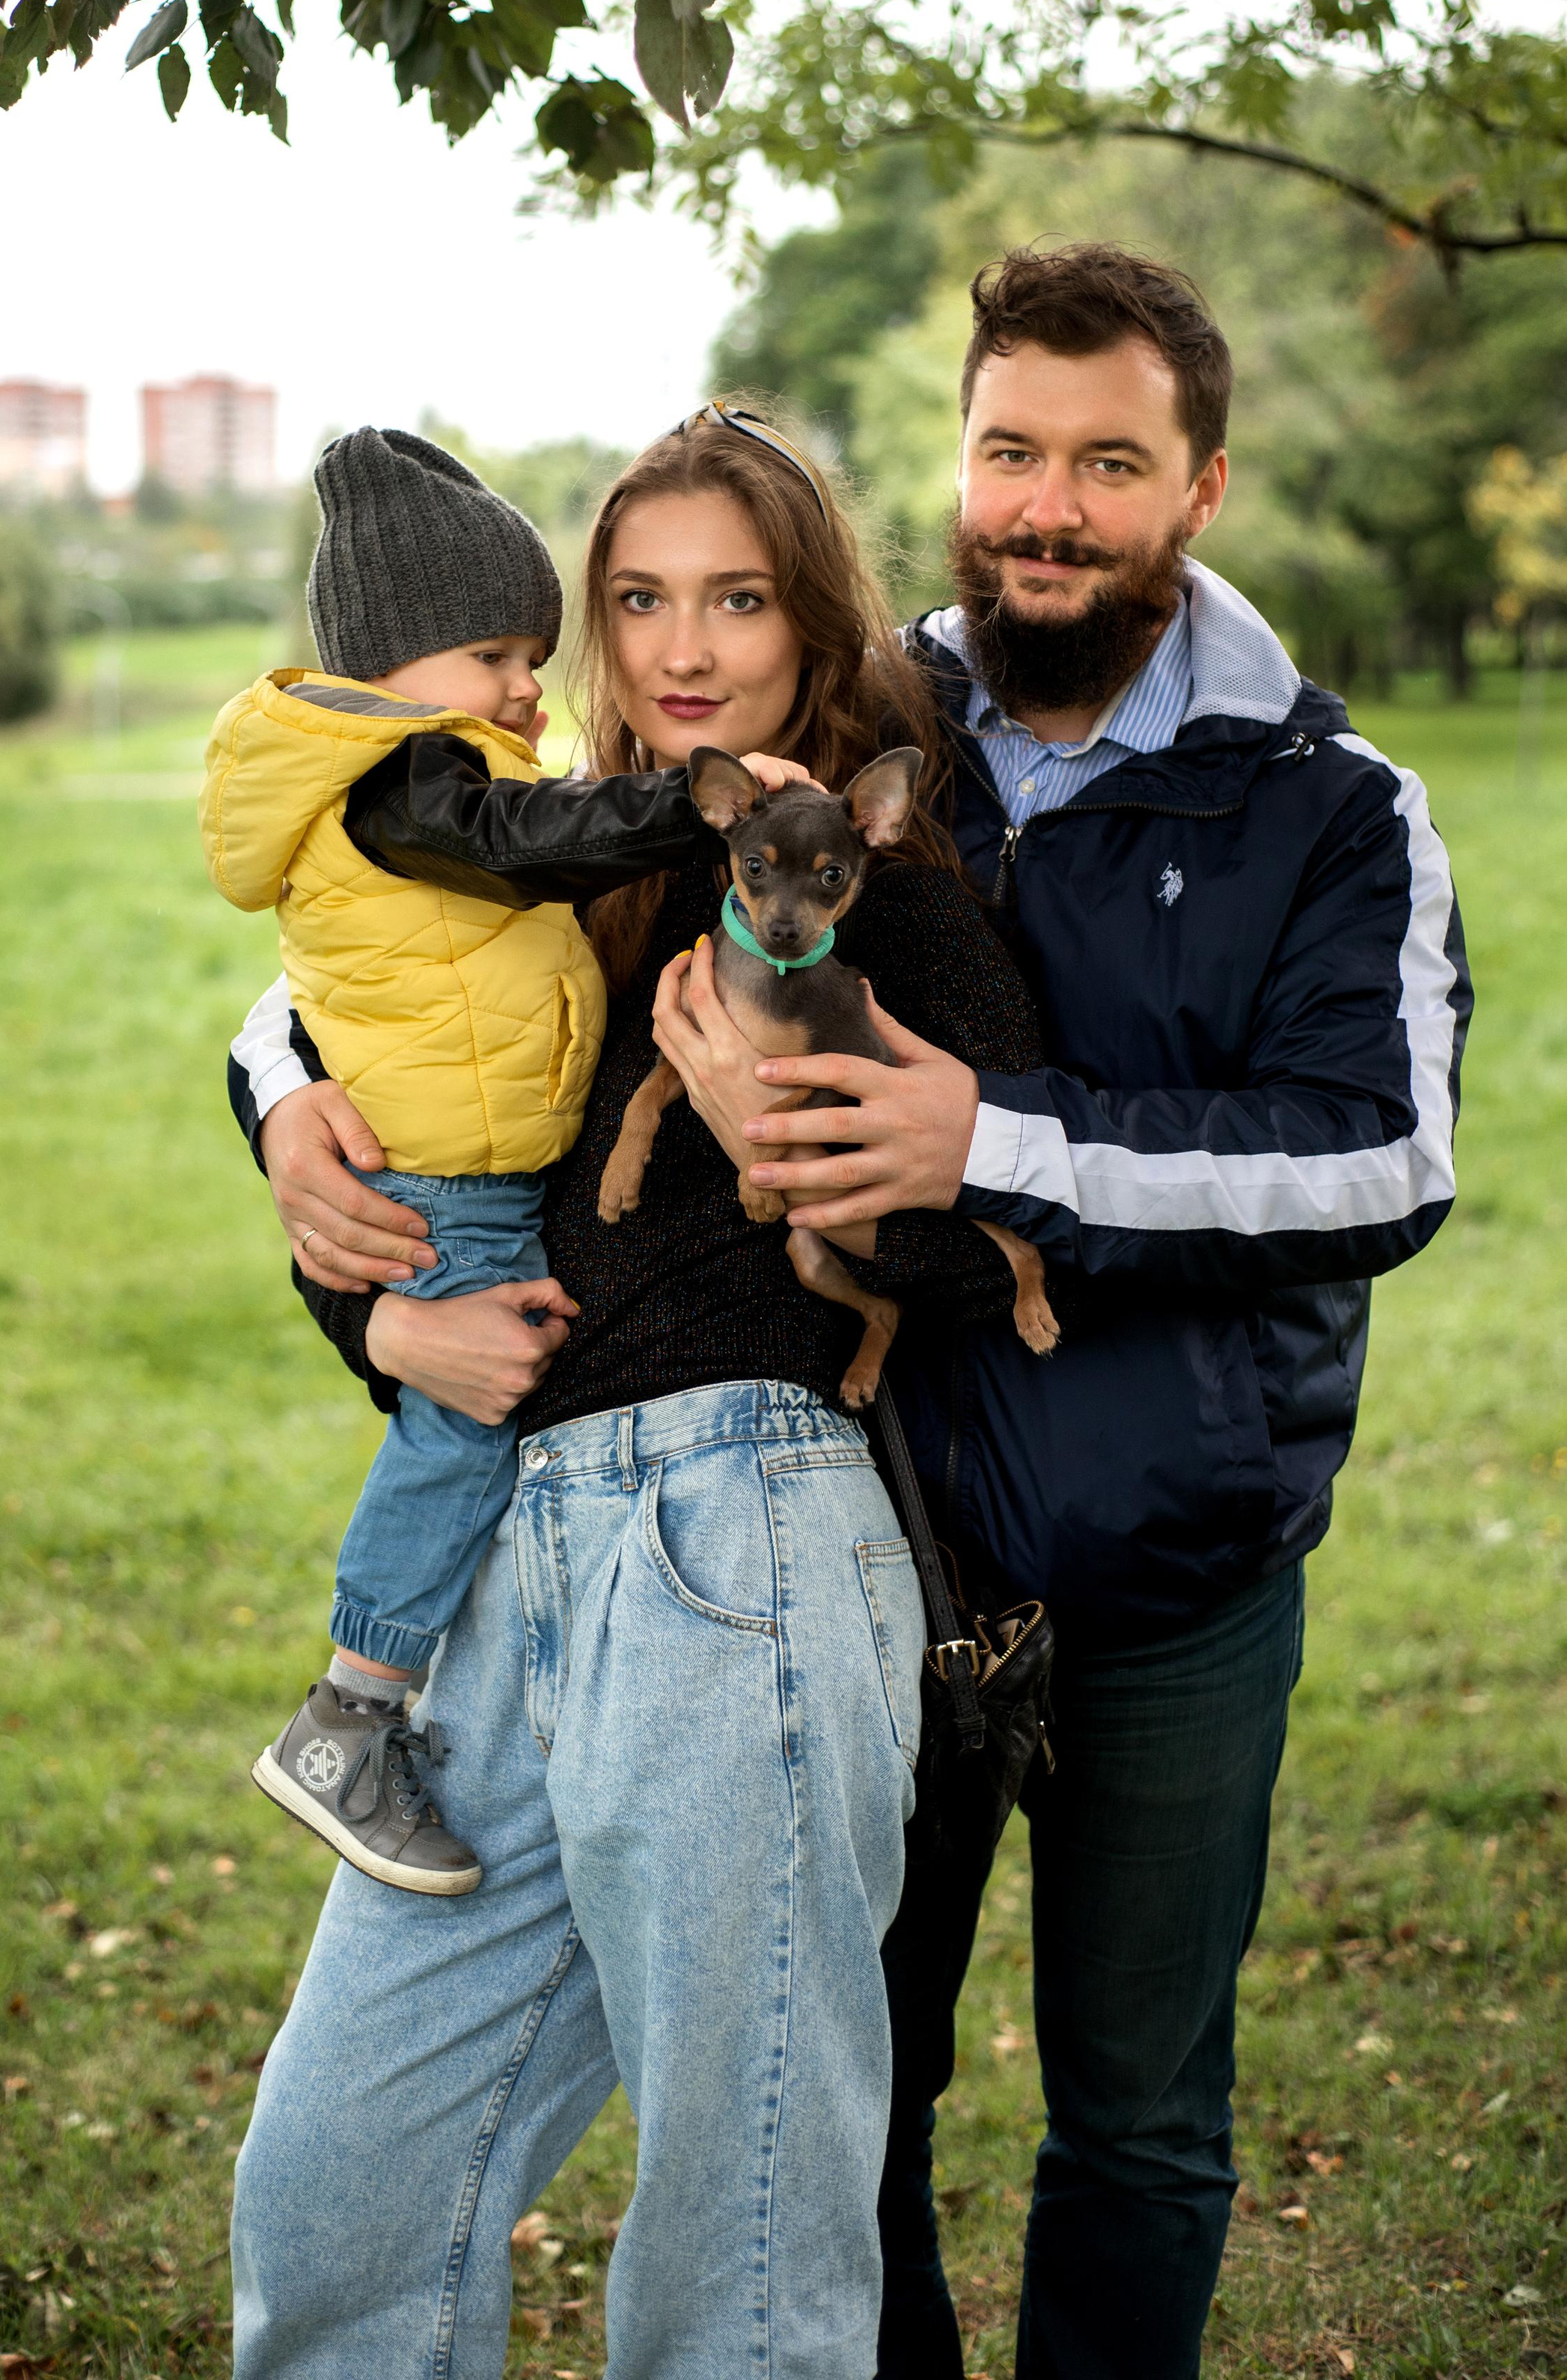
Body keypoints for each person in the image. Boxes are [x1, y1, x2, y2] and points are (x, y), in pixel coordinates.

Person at [642, 247, 1471, 2380]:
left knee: (1140, 2127)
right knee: (855, 2109)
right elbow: (523, 850)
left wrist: (993, 1147)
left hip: (1180, 1571)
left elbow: (1380, 1161)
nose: (1048, 504)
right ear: (963, 459)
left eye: (1111, 462)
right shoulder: (858, 728)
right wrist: (280, 1079)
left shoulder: (1334, 804)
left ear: (1199, 489)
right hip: (870, 1548)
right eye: (1011, 449)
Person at [224, 406, 1046, 2378]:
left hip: (739, 1545)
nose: (682, 644)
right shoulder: (556, 856)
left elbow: (1007, 1226)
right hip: (511, 1567)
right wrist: (339, 1246)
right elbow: (410, 1124)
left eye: (736, 598)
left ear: (808, 619)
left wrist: (806, 1141)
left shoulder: (869, 860)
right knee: (337, 2185)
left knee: (738, 2255)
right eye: (637, 597)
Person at [201, 422, 804, 1896]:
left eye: (538, 651)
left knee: (472, 1405)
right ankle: (352, 1711)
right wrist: (705, 802)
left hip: (478, 1171)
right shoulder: (408, 785)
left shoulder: (402, 773)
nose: (527, 686)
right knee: (465, 1414)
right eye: (493, 654)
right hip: (451, 1180)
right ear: (390, 664)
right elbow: (530, 840)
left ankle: (394, 1698)